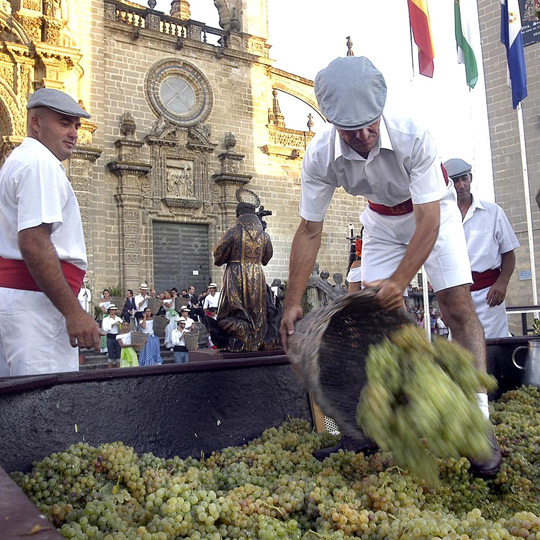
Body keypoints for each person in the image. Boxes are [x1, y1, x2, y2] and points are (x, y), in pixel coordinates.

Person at [280, 56, 500, 477]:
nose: (363, 136)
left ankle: (478, 422)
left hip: (433, 213)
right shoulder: (319, 156)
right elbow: (309, 231)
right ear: (331, 123)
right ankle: (368, 428)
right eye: (351, 129)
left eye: (370, 125)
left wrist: (400, 281)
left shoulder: (412, 134)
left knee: (456, 309)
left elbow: (430, 221)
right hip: (379, 220)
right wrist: (292, 301)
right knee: (373, 323)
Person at [0, 88, 101, 376]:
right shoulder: (40, 164)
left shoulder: (19, 161)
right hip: (38, 307)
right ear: (36, 123)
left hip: (21, 303)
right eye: (64, 123)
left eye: (76, 126)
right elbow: (33, 242)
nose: (73, 133)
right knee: (44, 404)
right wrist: (72, 311)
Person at [444, 158, 520, 339]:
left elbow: (509, 254)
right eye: (455, 180)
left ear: (471, 179)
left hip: (489, 297)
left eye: (464, 178)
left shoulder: (493, 212)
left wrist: (503, 282)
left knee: (494, 348)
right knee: (461, 352)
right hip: (456, 296)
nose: (461, 185)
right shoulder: (441, 218)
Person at [213, 202, 274, 352]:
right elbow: (266, 258)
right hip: (258, 275)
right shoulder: (264, 235)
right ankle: (256, 337)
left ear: (238, 214)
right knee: (257, 312)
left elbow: (218, 256)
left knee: (230, 311)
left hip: (235, 274)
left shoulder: (234, 232)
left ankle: (242, 334)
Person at [101, 304, 122, 368]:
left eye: (114, 310)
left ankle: (118, 370)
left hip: (118, 336)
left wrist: (120, 325)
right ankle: (110, 371)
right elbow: (105, 329)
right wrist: (112, 325)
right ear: (109, 311)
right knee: (110, 354)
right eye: (112, 310)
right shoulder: (105, 319)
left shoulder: (118, 318)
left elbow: (123, 328)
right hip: (110, 337)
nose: (113, 311)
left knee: (118, 354)